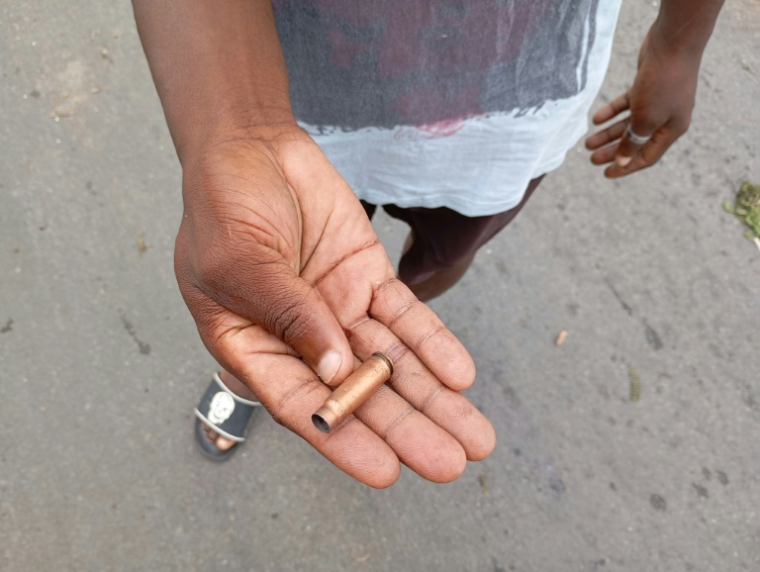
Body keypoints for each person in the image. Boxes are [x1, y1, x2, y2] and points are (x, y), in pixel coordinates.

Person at [132, 0, 724, 487]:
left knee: (440, 258)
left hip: (512, 108)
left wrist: (680, 42)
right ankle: (260, 370)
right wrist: (237, 127)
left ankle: (391, 318)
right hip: (295, 99)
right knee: (290, 263)